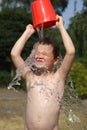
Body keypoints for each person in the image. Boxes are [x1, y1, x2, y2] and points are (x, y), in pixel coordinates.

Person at [11, 15, 75, 130]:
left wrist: (61, 27)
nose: (39, 56)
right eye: (37, 53)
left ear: (56, 60)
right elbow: (14, 54)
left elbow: (70, 52)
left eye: (45, 54)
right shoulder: (30, 77)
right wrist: (27, 33)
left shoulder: (59, 77)